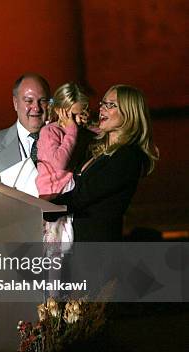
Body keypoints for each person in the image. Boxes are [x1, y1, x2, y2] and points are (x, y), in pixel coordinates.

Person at [51, 84, 158, 242]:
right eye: (102, 103)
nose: (102, 108)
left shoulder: (128, 156)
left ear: (129, 112)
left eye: (111, 105)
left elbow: (82, 196)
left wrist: (43, 208)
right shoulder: (97, 150)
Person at [36, 83, 95, 248]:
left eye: (81, 114)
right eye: (73, 115)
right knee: (55, 251)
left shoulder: (78, 129)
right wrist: (72, 131)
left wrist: (88, 124)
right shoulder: (50, 132)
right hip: (54, 198)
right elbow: (60, 163)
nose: (77, 120)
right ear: (59, 111)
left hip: (71, 198)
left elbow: (101, 135)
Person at [0, 73, 50, 171]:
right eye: (29, 101)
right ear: (15, 103)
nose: (36, 108)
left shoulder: (66, 141)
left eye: (42, 101)